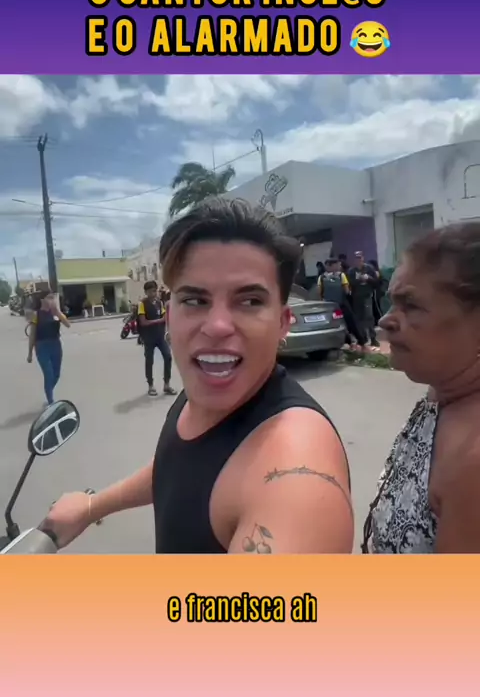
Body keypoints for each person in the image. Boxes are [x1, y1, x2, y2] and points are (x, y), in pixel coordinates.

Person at [42, 198, 353, 554]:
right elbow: (181, 465)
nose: (217, 326)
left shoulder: (297, 478)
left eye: (250, 301)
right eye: (194, 300)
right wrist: (92, 506)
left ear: (283, 323)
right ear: (170, 314)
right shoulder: (207, 388)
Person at [362, 221, 480, 553]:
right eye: (392, 302)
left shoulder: (473, 460)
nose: (386, 320)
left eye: (411, 305)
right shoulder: (442, 395)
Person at [27, 290, 70, 406]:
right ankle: (51, 401)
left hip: (56, 345)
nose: (52, 300)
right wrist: (30, 353)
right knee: (49, 374)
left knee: (56, 374)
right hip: (42, 347)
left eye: (53, 297)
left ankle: (48, 391)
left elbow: (68, 324)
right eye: (49, 297)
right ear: (42, 300)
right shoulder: (36, 315)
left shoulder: (56, 313)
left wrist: (58, 313)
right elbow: (32, 335)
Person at [137, 280, 176, 397]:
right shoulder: (142, 304)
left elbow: (165, 317)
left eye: (154, 291)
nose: (153, 294)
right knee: (149, 361)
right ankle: (150, 385)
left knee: (168, 357)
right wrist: (159, 320)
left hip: (160, 337)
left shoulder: (159, 302)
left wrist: (167, 331)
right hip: (148, 338)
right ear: (146, 292)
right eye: (150, 291)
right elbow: (143, 322)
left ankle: (167, 384)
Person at [318, 258, 366, 349]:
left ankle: (348, 342)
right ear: (332, 265)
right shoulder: (341, 275)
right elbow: (347, 291)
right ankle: (361, 342)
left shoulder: (321, 277)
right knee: (351, 322)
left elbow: (319, 292)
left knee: (339, 323)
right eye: (338, 265)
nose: (339, 266)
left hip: (332, 308)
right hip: (342, 305)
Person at [347, 251, 380, 349]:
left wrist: (368, 278)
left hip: (367, 296)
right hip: (356, 297)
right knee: (359, 318)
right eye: (356, 258)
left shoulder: (369, 268)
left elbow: (376, 282)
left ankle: (373, 338)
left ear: (363, 258)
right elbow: (350, 283)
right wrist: (358, 279)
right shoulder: (351, 271)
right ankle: (363, 338)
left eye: (360, 258)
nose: (358, 260)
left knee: (369, 317)